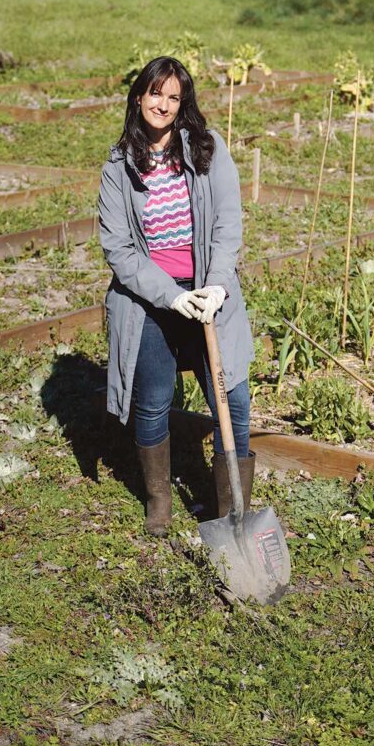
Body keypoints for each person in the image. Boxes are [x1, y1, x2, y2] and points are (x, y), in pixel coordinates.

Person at [98, 56, 255, 536]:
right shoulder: (118, 166)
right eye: (155, 93)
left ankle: (232, 509)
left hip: (208, 291)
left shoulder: (208, 149)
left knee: (234, 398)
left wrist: (217, 284)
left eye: (173, 97)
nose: (163, 105)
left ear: (182, 104)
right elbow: (119, 249)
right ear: (138, 96)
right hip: (149, 299)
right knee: (152, 401)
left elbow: (227, 221)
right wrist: (169, 296)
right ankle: (159, 502)